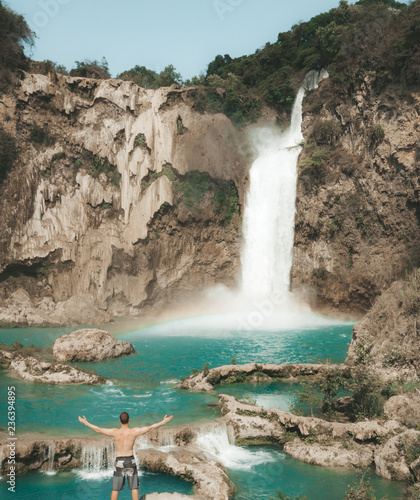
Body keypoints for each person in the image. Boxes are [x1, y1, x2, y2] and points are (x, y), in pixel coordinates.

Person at [78, 412, 174, 500]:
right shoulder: (133, 432)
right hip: (130, 460)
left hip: (119, 461)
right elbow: (150, 428)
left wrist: (85, 422)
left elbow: (98, 430)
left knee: (115, 488)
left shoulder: (115, 432)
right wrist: (163, 421)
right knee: (134, 486)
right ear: (129, 420)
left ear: (119, 421)